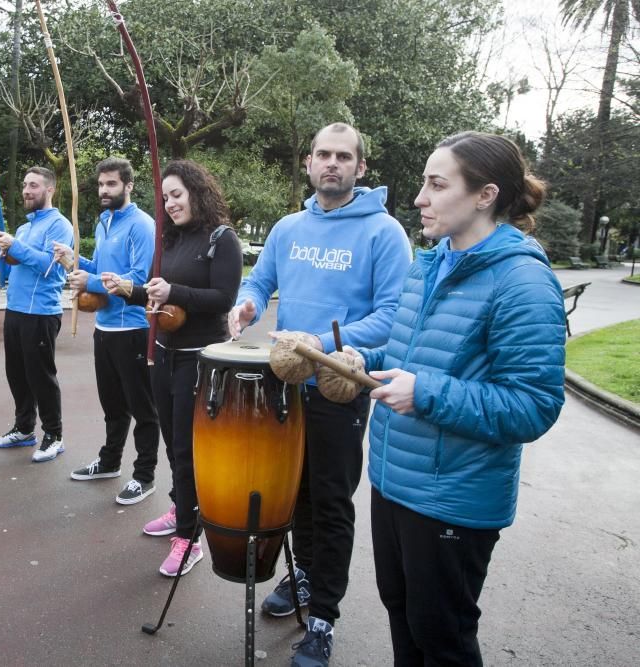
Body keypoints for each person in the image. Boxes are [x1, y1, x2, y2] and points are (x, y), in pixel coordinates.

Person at [344, 132, 565, 666]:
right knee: (403, 616)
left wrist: (429, 394)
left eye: (436, 185)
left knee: (442, 637)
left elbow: (534, 404)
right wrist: (359, 360)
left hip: (454, 500)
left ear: (485, 195)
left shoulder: (523, 281)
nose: (419, 198)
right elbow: (406, 353)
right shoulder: (429, 264)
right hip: (394, 483)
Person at [229, 123, 412, 666]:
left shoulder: (385, 233)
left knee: (330, 504)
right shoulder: (288, 228)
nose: (331, 164)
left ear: (360, 167)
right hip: (283, 389)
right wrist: (245, 304)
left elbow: (393, 318)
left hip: (337, 388)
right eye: (322, 155)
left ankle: (324, 618)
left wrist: (326, 344)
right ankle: (302, 576)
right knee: (293, 496)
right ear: (308, 163)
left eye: (343, 156)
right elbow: (259, 282)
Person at [103, 159, 242, 576]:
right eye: (165, 198)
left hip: (201, 359)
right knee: (171, 440)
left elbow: (223, 297)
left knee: (187, 448)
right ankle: (183, 508)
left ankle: (189, 538)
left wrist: (174, 290)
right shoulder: (168, 240)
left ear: (197, 192)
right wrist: (129, 290)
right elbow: (155, 293)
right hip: (162, 353)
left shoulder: (223, 239)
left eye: (177, 195)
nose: (170, 204)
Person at [57, 158, 159, 504]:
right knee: (113, 405)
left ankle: (144, 476)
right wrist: (75, 262)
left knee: (143, 408)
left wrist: (92, 280)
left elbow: (140, 280)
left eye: (111, 184)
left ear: (129, 186)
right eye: (101, 184)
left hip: (134, 328)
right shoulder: (104, 222)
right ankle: (110, 461)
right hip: (104, 328)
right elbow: (100, 269)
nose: (104, 190)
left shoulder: (142, 226)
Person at [0, 167, 74, 462]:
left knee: (41, 376)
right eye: (24, 184)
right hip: (15, 310)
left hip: (41, 313)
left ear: (49, 189)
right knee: (17, 374)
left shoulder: (60, 226)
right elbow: (8, 269)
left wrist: (16, 246)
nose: (26, 190)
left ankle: (54, 435)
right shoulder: (24, 229)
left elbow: (49, 268)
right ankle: (24, 429)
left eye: (33, 185)